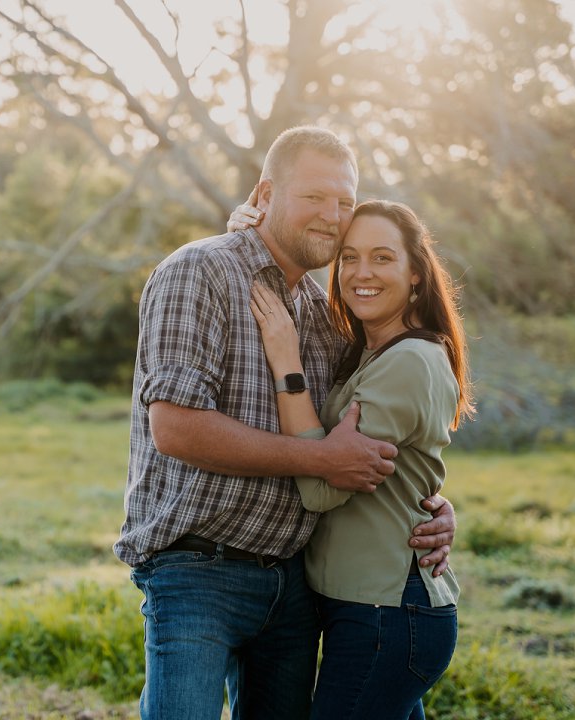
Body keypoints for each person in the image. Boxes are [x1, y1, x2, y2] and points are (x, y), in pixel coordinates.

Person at [114, 126, 457, 720]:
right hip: (197, 570)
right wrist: (319, 460)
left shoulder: (323, 315)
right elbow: (176, 428)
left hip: (295, 584)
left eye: (344, 201)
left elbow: (384, 428)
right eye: (314, 197)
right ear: (266, 193)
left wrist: (430, 504)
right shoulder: (199, 272)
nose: (333, 215)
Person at [246, 199, 475, 719]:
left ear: (416, 274)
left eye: (381, 257)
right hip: (369, 611)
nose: (360, 272)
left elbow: (320, 489)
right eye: (349, 257)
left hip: (387, 614)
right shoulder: (371, 352)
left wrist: (286, 360)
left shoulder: (409, 361)